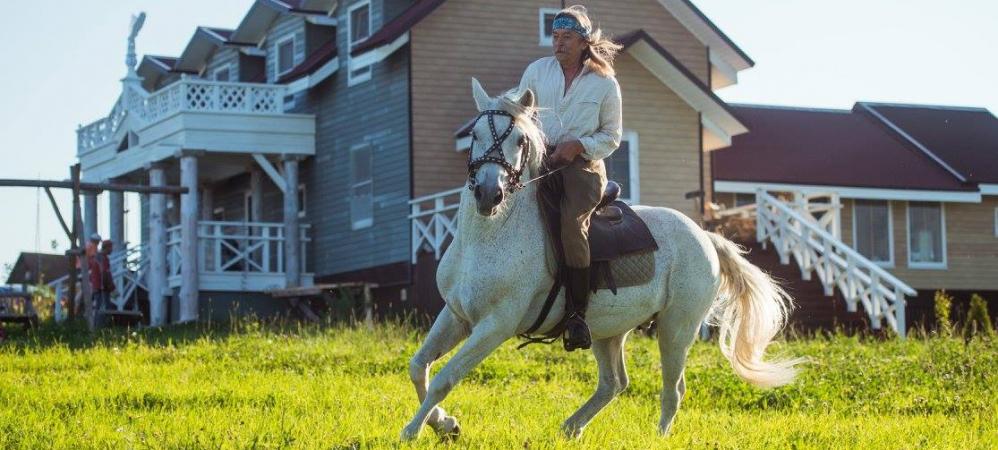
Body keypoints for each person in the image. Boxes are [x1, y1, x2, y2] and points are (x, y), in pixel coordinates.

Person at [517, 5, 623, 351]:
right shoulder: (536, 71)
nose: (558, 44)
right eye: (556, 37)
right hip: (539, 161)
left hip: (582, 168)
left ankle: (577, 316)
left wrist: (578, 146)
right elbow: (520, 115)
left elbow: (612, 136)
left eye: (567, 38)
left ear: (583, 43)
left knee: (570, 225)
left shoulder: (605, 83)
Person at [88, 239, 116, 325]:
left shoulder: (97, 257)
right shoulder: (103, 258)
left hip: (97, 287)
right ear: (107, 247)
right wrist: (111, 287)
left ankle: (97, 328)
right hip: (102, 288)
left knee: (99, 308)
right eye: (111, 247)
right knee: (103, 310)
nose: (112, 249)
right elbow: (104, 273)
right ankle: (99, 329)